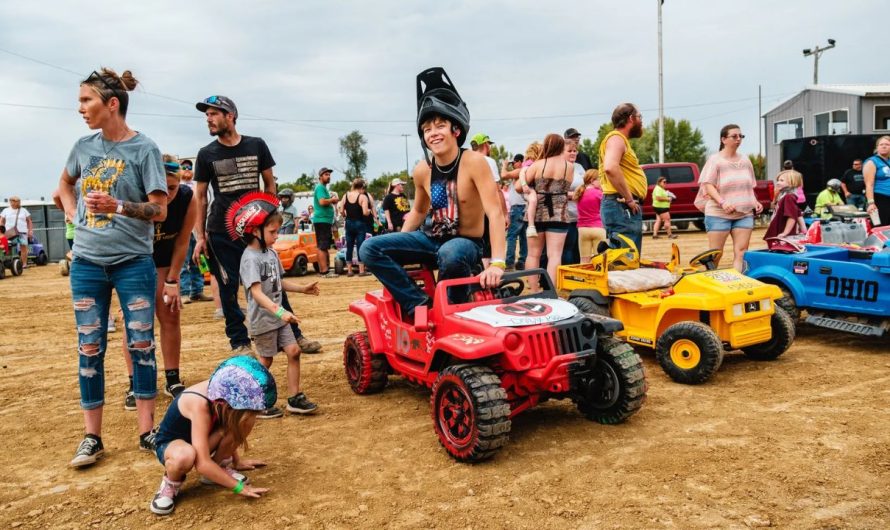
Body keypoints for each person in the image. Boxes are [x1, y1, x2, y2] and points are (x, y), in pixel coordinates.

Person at [57, 67, 168, 467]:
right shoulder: (83, 148)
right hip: (87, 262)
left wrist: (118, 206)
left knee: (141, 344)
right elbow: (63, 186)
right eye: (81, 101)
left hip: (133, 263)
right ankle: (92, 437)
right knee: (89, 347)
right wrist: (74, 218)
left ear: (112, 104)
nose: (80, 108)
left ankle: (147, 431)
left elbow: (160, 209)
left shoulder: (144, 150)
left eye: (87, 100)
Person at [360, 67, 506, 321]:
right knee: (369, 248)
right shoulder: (422, 170)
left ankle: (451, 313)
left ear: (456, 130)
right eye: (427, 129)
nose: (433, 133)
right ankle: (419, 304)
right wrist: (398, 245)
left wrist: (497, 263)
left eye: (440, 125)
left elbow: (494, 213)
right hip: (430, 239)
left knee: (452, 253)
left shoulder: (474, 163)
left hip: (466, 243)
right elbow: (417, 211)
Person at [191, 95, 321, 355]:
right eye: (206, 115)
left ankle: (292, 335)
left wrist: (269, 218)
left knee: (271, 279)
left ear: (231, 116)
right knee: (227, 288)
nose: (209, 119)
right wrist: (200, 236)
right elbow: (200, 196)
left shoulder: (256, 145)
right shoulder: (206, 154)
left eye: (214, 113)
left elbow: (269, 183)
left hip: (254, 230)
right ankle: (239, 342)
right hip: (221, 232)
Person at [228, 193, 319, 419]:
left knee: (294, 351)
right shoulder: (250, 258)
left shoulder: (270, 253)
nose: (277, 236)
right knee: (265, 361)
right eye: (272, 232)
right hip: (264, 320)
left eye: (277, 230)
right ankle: (254, 401)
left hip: (279, 318)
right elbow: (256, 292)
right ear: (254, 231)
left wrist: (302, 288)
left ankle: (294, 398)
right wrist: (281, 311)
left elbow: (279, 281)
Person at [148, 356, 274, 515]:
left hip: (202, 440)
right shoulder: (200, 404)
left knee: (245, 421)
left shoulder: (223, 391)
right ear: (227, 404)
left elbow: (230, 424)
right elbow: (202, 464)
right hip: (173, 445)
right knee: (185, 456)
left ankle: (219, 466)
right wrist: (239, 487)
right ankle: (171, 483)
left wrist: (237, 461)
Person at [121, 156, 196, 416]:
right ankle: (135, 383)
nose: (168, 195)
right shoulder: (137, 197)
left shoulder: (187, 198)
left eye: (173, 188)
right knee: (135, 322)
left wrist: (173, 280)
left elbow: (182, 241)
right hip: (134, 262)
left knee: (170, 314)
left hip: (166, 260)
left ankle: (172, 378)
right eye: (162, 189)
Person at [699, 124, 763, 272]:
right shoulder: (715, 160)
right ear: (723, 139)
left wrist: (755, 201)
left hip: (744, 214)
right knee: (715, 255)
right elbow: (708, 185)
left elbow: (748, 186)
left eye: (741, 136)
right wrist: (722, 202)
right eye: (734, 136)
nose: (738, 139)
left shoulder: (746, 160)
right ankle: (712, 285)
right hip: (718, 214)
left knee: (741, 252)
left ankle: (738, 283)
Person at [523, 133, 573, 289]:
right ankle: (551, 292)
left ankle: (534, 291)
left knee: (533, 254)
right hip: (559, 213)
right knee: (555, 255)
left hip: (536, 212)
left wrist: (531, 189)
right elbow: (566, 188)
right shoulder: (569, 167)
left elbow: (519, 186)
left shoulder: (537, 165)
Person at [599, 103, 647, 253]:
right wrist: (629, 199)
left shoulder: (618, 140)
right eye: (640, 117)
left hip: (620, 206)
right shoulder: (616, 139)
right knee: (625, 261)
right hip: (622, 206)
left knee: (623, 259)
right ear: (631, 118)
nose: (641, 121)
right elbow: (610, 167)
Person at [470, 132, 507, 267]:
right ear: (486, 144)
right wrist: (504, 213)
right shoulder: (488, 161)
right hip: (486, 207)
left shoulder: (466, 160)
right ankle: (486, 276)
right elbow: (497, 189)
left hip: (470, 209)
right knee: (488, 244)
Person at [179, 160, 212, 304]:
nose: (187, 169)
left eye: (189, 167)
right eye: (184, 167)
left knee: (199, 260)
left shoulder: (197, 185)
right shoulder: (176, 185)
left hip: (197, 228)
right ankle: (184, 292)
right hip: (182, 228)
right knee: (183, 261)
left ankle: (197, 291)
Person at [339, 178, 372, 276]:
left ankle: (349, 271)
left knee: (349, 246)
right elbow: (365, 213)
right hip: (359, 223)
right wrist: (369, 211)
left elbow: (341, 211)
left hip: (349, 223)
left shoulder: (345, 196)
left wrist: (345, 217)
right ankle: (361, 271)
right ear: (361, 187)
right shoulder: (362, 197)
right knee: (360, 246)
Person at [765, 170, 805, 247]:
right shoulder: (784, 196)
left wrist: (785, 233)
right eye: (778, 180)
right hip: (779, 234)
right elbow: (798, 213)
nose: (777, 182)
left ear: (792, 183)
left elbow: (792, 217)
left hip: (782, 236)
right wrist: (804, 229)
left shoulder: (788, 197)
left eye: (781, 180)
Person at [561, 138, 584, 265]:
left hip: (580, 216)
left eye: (575, 151)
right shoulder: (560, 168)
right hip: (565, 216)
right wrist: (574, 195)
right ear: (561, 152)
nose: (573, 153)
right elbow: (557, 191)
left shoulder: (579, 167)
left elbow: (586, 185)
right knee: (567, 249)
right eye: (569, 150)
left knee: (578, 249)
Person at [312, 167, 339, 278]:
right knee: (322, 246)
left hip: (324, 220)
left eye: (329, 174)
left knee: (323, 246)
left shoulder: (322, 188)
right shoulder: (320, 188)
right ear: (320, 177)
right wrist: (333, 200)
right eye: (326, 174)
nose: (328, 176)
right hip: (322, 220)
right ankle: (324, 272)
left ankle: (325, 270)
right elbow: (322, 202)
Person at [575, 169, 606, 263]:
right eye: (599, 179)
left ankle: (583, 277)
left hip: (582, 229)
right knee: (600, 259)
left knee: (584, 260)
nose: (601, 182)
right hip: (598, 228)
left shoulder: (579, 193)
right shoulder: (599, 193)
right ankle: (598, 277)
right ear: (592, 180)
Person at [864, 135, 890, 226]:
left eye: (887, 144)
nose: (884, 146)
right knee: (880, 228)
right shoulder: (871, 162)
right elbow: (869, 185)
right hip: (880, 199)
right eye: (881, 144)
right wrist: (871, 203)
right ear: (877, 147)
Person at [0, 196, 33, 267]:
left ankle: (24, 264)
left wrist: (30, 230)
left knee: (23, 247)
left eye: (16, 201)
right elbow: (1, 221)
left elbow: (29, 221)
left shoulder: (24, 210)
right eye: (13, 201)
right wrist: (1, 231)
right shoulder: (6, 210)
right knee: (7, 247)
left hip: (22, 232)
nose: (14, 203)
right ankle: (7, 262)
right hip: (9, 232)